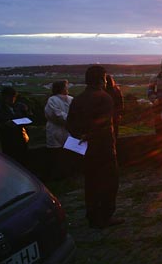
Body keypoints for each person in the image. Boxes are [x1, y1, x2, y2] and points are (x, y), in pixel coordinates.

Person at [67, 65, 123, 229]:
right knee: (109, 182)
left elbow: (70, 124)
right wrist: (90, 134)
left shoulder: (77, 99)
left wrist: (82, 135)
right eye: (105, 78)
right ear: (101, 79)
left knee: (91, 183)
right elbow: (104, 124)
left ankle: (92, 215)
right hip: (104, 148)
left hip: (86, 149)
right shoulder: (104, 97)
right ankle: (105, 216)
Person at [0, 87, 32, 166]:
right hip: (7, 140)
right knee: (11, 162)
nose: (12, 99)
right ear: (4, 97)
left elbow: (30, 117)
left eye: (14, 97)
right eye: (9, 97)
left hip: (21, 137)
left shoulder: (21, 106)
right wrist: (6, 125)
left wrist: (25, 121)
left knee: (24, 160)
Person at [44, 80, 74, 179]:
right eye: (65, 87)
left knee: (68, 154)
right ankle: (58, 176)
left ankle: (68, 174)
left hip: (68, 130)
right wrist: (71, 120)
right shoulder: (52, 100)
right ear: (60, 88)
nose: (67, 88)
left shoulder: (71, 99)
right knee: (57, 154)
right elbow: (57, 115)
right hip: (55, 130)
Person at [105, 75, 124, 140]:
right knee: (115, 133)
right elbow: (121, 103)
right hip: (115, 116)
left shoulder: (104, 91)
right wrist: (119, 114)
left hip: (106, 117)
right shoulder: (116, 90)